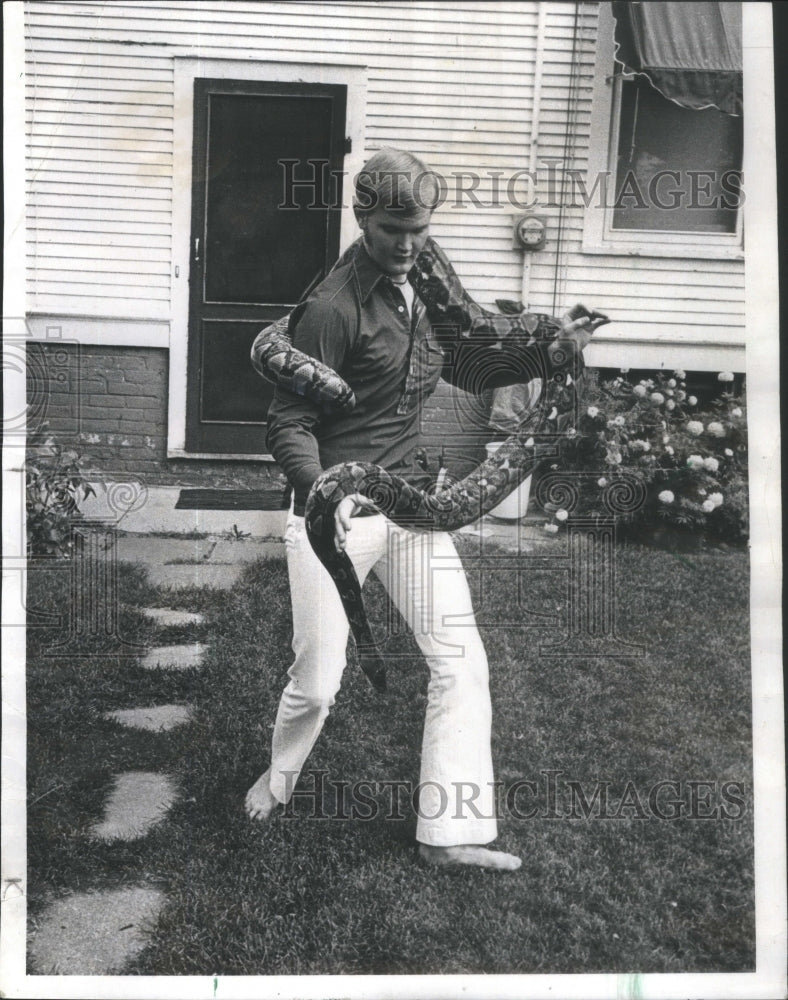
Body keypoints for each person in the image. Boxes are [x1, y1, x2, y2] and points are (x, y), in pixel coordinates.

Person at [246, 148, 602, 869]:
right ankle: (279, 776)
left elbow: (474, 358)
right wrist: (323, 489)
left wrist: (557, 347)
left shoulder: (430, 281)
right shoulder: (331, 308)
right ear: (362, 217)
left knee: (461, 662)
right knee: (317, 682)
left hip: (411, 505)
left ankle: (450, 835)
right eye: (391, 231)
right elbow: (288, 422)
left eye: (419, 228)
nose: (407, 245)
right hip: (333, 514)